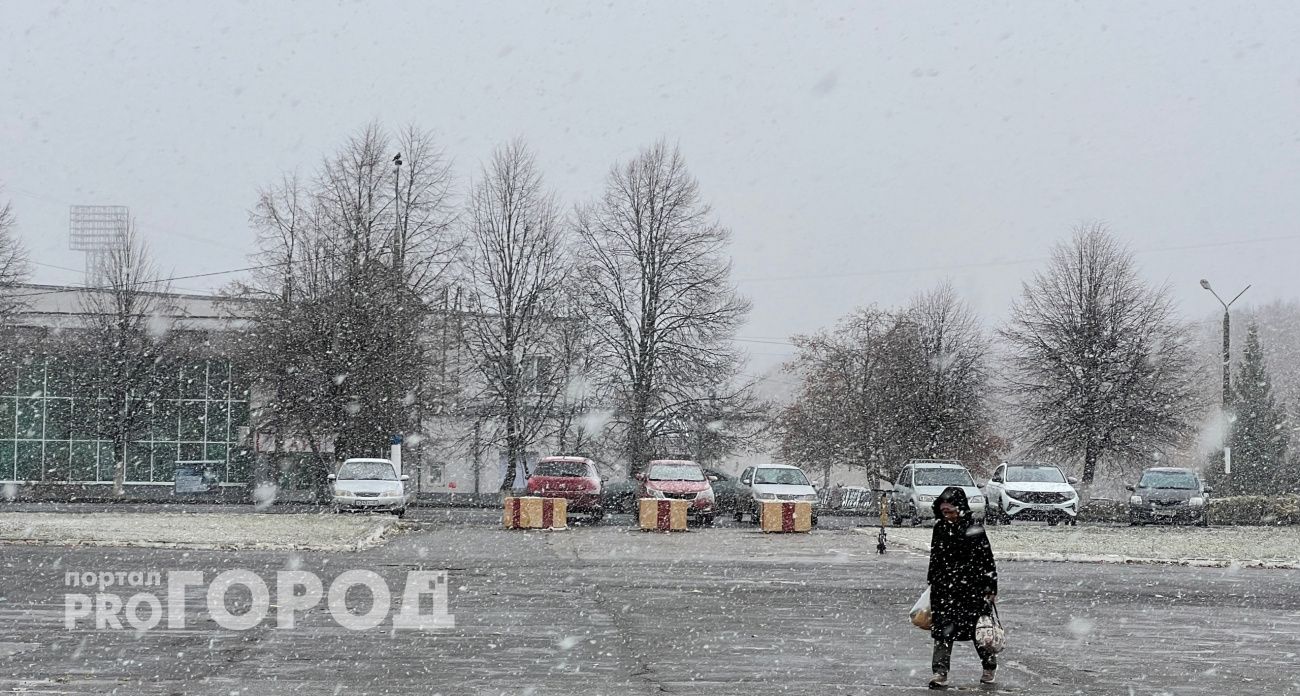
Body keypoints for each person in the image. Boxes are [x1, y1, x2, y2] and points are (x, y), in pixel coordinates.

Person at [926, 486, 998, 689]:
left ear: (960, 508)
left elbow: (987, 560)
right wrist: (932, 582)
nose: (946, 514)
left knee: (980, 630)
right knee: (942, 632)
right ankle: (939, 673)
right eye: (943, 511)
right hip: (944, 590)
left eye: (949, 510)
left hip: (972, 590)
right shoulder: (940, 528)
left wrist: (990, 588)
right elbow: (935, 557)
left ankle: (989, 666)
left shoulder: (974, 529)